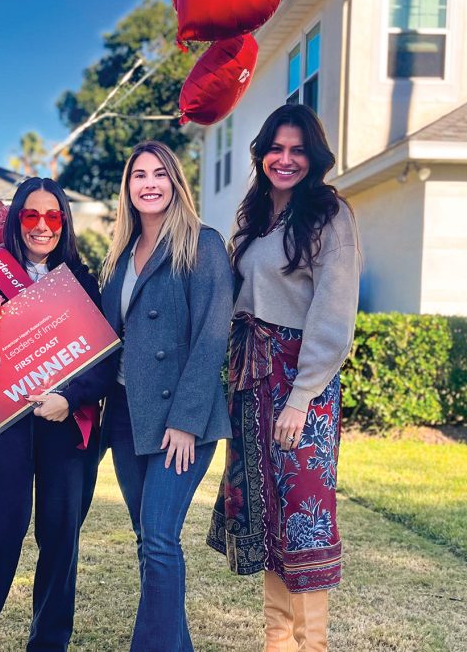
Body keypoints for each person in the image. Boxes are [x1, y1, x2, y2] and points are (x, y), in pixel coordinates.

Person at [207, 104, 361, 651]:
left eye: (298, 150)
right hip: (252, 378)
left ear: (313, 157)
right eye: (277, 148)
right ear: (262, 154)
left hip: (301, 384)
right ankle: (277, 642)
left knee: (305, 512)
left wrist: (301, 396)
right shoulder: (253, 217)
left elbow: (334, 312)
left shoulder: (328, 214)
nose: (286, 159)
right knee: (267, 509)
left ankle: (311, 645)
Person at [0, 177, 114, 652]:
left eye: (53, 217)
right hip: (6, 427)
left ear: (63, 223)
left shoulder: (82, 280)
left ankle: (49, 643)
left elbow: (105, 359)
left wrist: (71, 397)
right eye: (31, 216)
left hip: (65, 424)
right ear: (16, 219)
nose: (42, 226)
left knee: (61, 538)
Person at [99, 140, 234, 651]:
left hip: (182, 423)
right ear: (128, 188)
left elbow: (212, 337)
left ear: (175, 183)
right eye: (139, 175)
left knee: (159, 539)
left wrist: (186, 421)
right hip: (129, 419)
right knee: (148, 543)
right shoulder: (118, 256)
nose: (149, 183)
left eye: (159, 174)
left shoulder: (203, 244)